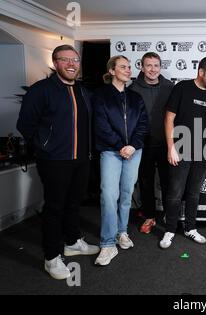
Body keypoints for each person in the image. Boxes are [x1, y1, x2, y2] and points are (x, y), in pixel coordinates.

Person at [17, 45, 99, 280]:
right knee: (54, 208)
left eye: (75, 60)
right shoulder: (41, 90)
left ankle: (72, 242)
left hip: (81, 160)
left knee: (74, 204)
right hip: (54, 161)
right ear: (55, 63)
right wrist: (45, 147)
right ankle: (51, 257)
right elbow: (26, 125)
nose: (72, 64)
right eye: (65, 60)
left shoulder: (84, 91)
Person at [160, 56, 206, 249]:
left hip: (203, 152)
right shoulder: (182, 88)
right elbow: (168, 119)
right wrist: (171, 147)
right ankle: (170, 229)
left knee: (194, 192)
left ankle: (190, 227)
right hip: (180, 149)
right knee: (175, 192)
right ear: (201, 72)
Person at [93, 55, 148, 266]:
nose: (128, 70)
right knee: (109, 195)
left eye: (129, 66)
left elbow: (143, 125)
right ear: (112, 71)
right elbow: (101, 125)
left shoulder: (136, 98)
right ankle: (107, 243)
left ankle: (121, 232)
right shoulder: (100, 96)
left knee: (126, 194)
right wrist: (120, 146)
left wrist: (132, 145)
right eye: (123, 67)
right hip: (111, 151)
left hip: (134, 151)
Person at [129, 52, 174, 234]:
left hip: (166, 143)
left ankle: (169, 216)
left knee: (168, 183)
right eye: (149, 65)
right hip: (143, 144)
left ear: (160, 67)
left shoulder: (170, 87)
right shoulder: (132, 89)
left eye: (156, 65)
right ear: (141, 66)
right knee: (146, 183)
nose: (153, 69)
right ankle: (149, 216)